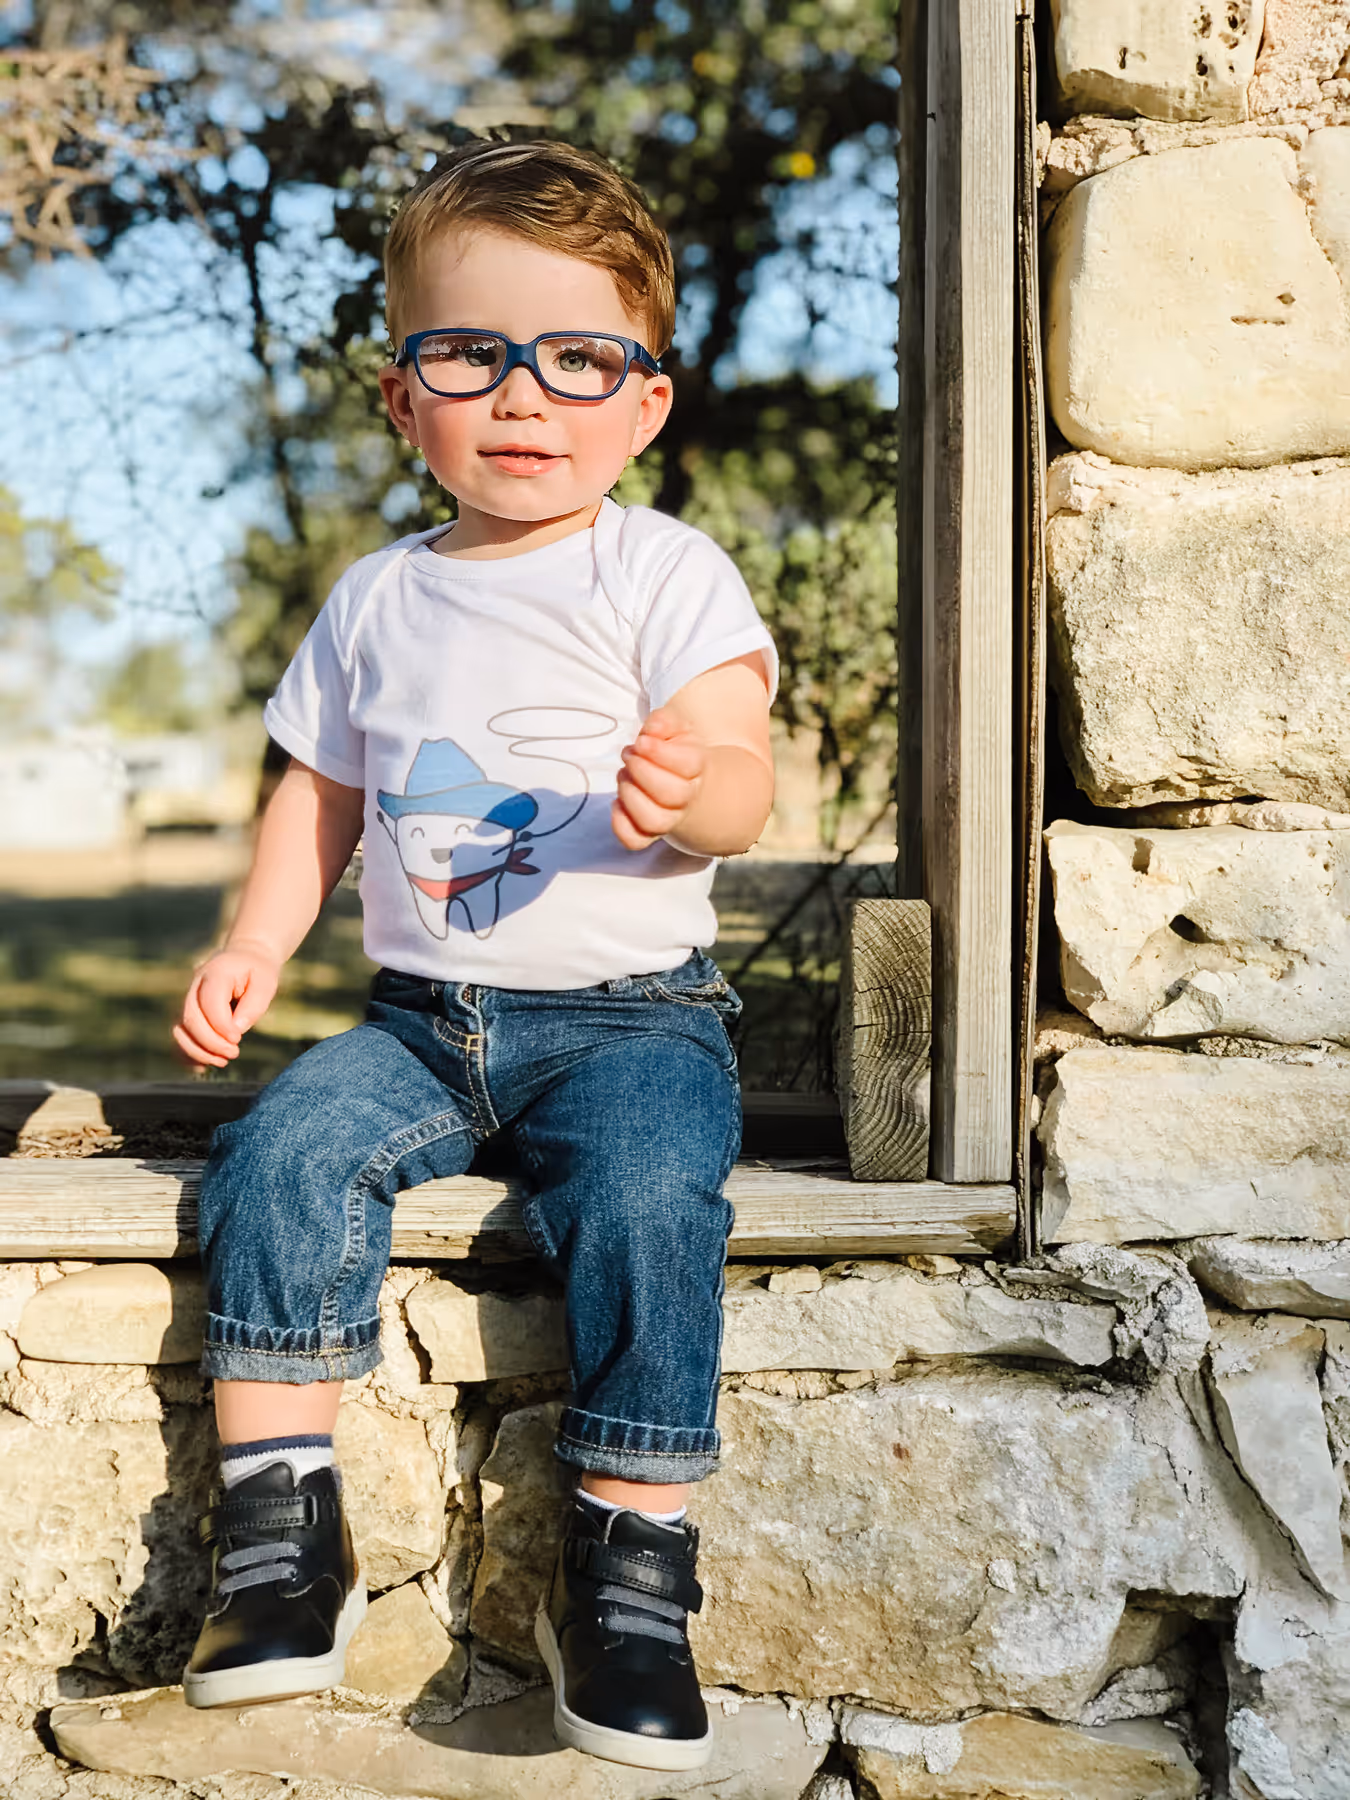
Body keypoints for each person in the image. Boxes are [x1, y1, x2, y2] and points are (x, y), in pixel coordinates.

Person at [172, 137, 777, 1774]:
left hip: (633, 1024)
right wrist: (250, 940)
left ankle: (627, 1574)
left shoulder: (655, 568)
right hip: (424, 1021)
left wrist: (702, 795)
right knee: (282, 1153)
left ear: (644, 402)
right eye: (469, 353)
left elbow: (738, 754)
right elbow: (320, 795)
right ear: (400, 397)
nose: (523, 396)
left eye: (578, 359)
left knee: (656, 1201)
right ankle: (282, 1542)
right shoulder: (375, 599)